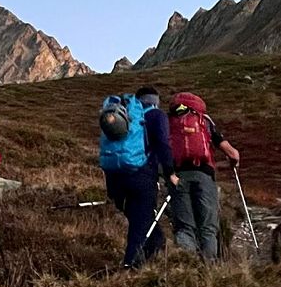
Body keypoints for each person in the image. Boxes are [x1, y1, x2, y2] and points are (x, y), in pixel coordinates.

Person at [100, 87, 178, 268]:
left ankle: (154, 248)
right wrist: (170, 173)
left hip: (114, 176)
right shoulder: (155, 115)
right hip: (141, 175)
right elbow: (163, 145)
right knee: (140, 222)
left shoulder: (125, 116)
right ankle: (131, 265)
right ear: (155, 101)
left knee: (140, 219)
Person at [166, 91, 240, 260]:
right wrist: (233, 161)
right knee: (207, 227)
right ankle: (209, 266)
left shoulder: (169, 121)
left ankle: (188, 265)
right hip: (204, 176)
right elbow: (232, 153)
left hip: (177, 176)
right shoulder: (204, 120)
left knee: (184, 227)